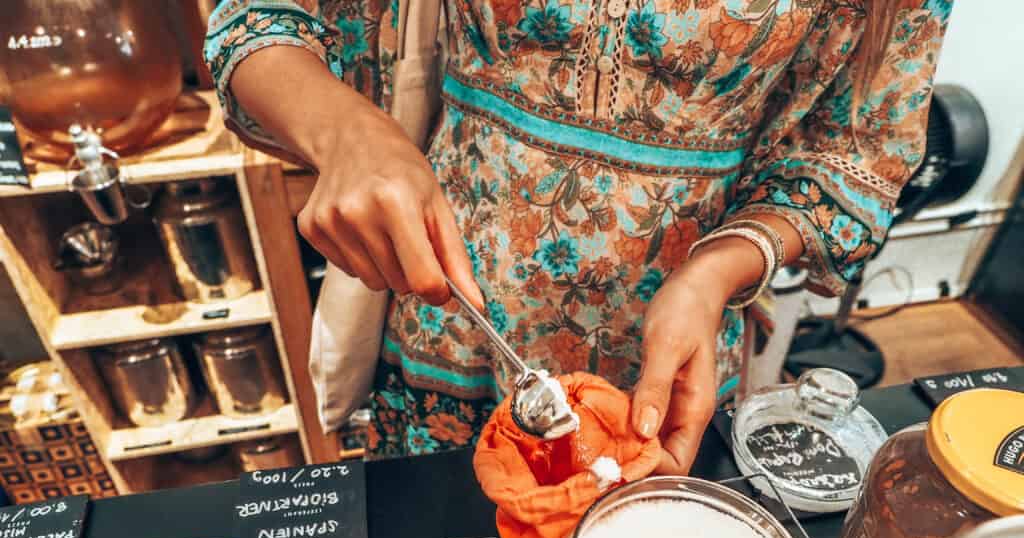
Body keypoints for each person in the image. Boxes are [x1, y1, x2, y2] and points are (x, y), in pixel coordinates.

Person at [205, 0, 951, 470]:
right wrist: (346, 133)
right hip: (453, 315)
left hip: (668, 348)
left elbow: (852, 155)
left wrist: (718, 271)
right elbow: (259, 19)